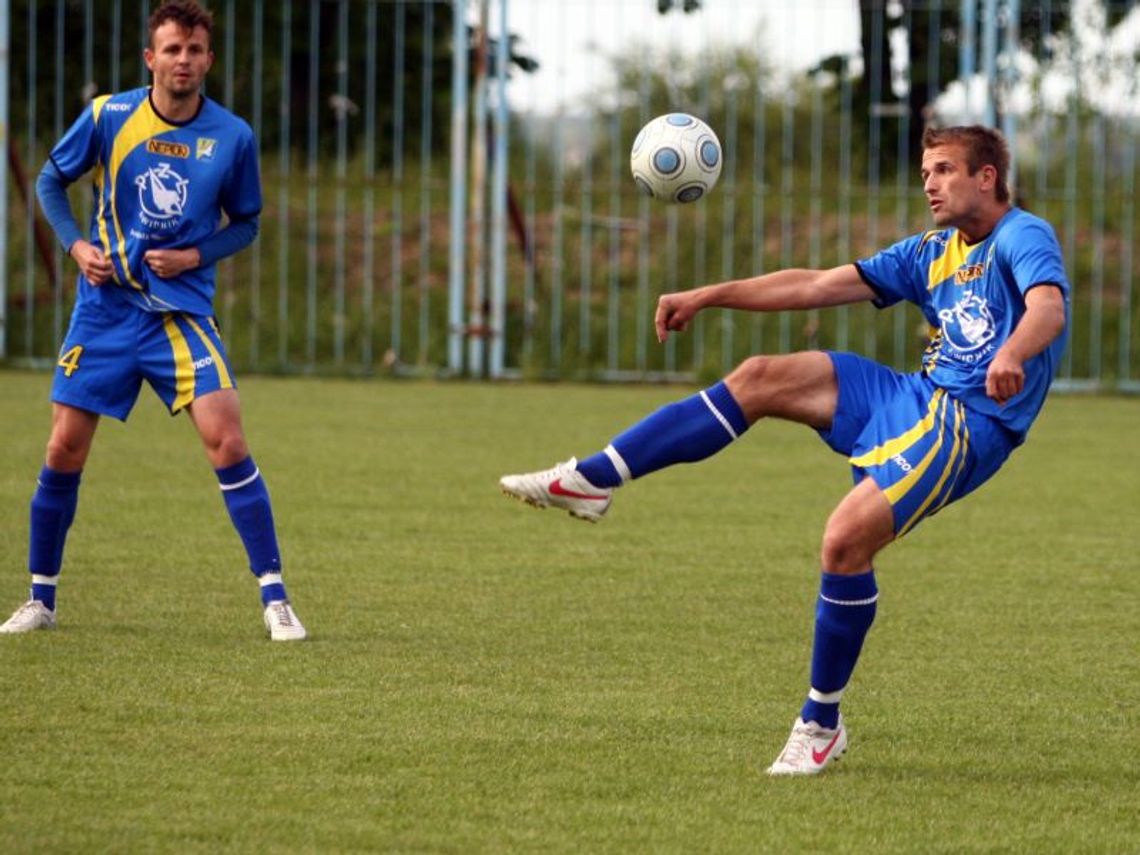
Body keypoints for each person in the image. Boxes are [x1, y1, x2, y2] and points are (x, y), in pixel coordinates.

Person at [499, 125, 1068, 775]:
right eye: (925, 174)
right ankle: (593, 479)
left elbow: (1047, 308)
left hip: (967, 422)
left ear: (986, 177)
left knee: (843, 542)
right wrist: (709, 295)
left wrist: (1013, 353)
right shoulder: (931, 251)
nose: (930, 185)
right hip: (914, 393)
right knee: (761, 376)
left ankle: (820, 724)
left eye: (943, 170)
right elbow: (816, 285)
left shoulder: (1022, 235)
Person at [1, 0, 306, 641]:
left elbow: (246, 222)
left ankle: (275, 598)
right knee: (63, 447)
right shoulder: (108, 116)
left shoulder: (232, 137)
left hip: (179, 315)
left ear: (209, 59)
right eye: (172, 49)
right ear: (151, 58)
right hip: (105, 312)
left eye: (194, 50)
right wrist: (76, 247)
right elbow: (51, 182)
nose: (183, 60)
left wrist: (195, 255)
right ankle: (40, 598)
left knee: (228, 441)